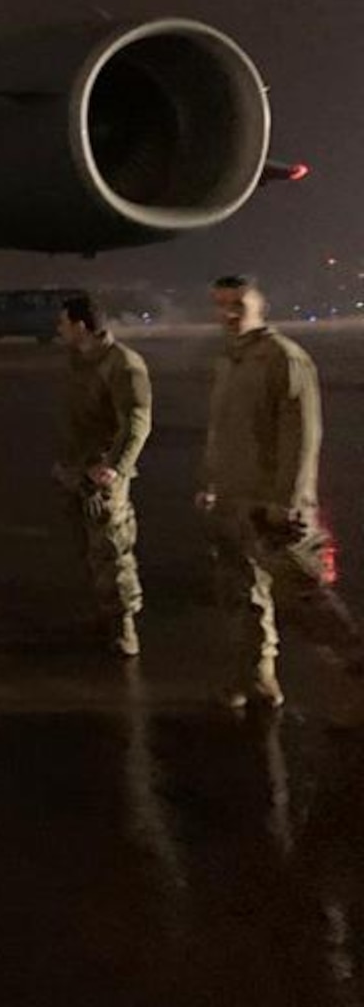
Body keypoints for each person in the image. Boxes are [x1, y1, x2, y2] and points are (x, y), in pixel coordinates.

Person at [199, 274, 364, 714]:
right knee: (242, 596)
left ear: (260, 305)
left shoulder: (284, 359)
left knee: (307, 599)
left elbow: (303, 436)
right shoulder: (229, 361)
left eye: (239, 304)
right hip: (233, 501)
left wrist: (288, 501)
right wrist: (211, 484)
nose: (229, 313)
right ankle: (257, 680)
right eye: (222, 305)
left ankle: (357, 667)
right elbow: (223, 433)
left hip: (271, 505)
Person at [52, 294, 151, 656]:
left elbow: (137, 422)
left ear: (80, 326)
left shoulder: (122, 364)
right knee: (88, 550)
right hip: (75, 470)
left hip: (102, 476)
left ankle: (124, 625)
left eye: (63, 323)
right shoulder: (78, 361)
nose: (59, 330)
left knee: (112, 549)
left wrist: (114, 467)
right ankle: (104, 613)